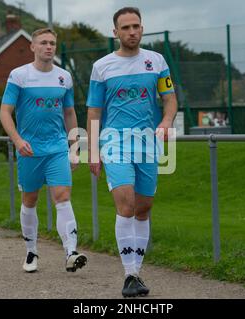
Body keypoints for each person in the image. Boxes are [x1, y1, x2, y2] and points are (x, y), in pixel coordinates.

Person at [86, 7, 177, 297]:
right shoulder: (102, 67)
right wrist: (92, 150)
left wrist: (165, 122)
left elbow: (170, 100)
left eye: (136, 26)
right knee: (125, 204)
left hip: (147, 143)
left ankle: (136, 272)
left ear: (142, 28)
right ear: (115, 33)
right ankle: (130, 274)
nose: (132, 32)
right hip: (115, 142)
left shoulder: (157, 61)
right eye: (125, 27)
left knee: (144, 207)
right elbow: (94, 110)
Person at [0, 28, 87, 273]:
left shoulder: (64, 77)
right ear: (33, 47)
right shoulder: (19, 76)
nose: (49, 47)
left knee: (62, 196)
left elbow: (69, 113)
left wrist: (75, 146)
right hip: (29, 150)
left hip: (57, 147)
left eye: (52, 43)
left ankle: (71, 252)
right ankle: (31, 251)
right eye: (43, 43)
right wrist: (17, 140)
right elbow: (5, 112)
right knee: (30, 200)